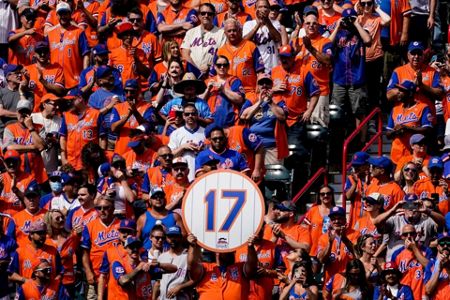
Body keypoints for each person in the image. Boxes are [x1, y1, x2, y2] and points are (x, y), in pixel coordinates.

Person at [329, 8, 372, 145]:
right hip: (339, 78)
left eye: (351, 19)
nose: (349, 22)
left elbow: (368, 40)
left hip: (357, 78)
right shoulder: (338, 34)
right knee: (336, 112)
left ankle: (361, 141)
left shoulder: (360, 32)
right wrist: (337, 26)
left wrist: (357, 24)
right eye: (346, 19)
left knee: (359, 111)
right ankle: (337, 140)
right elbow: (327, 45)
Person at [270, 44, 320, 160]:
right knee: (277, 154)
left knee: (295, 154)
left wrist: (309, 111)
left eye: (287, 57)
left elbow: (316, 92)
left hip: (296, 121)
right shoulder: (274, 72)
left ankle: (298, 177)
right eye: (282, 57)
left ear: (293, 57)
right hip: (276, 121)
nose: (284, 60)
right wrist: (273, 89)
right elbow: (262, 93)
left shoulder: (303, 71)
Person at [292, 11, 332, 127]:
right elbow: (286, 55)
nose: (311, 25)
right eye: (308, 23)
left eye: (314, 23)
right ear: (304, 26)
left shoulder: (325, 42)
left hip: (320, 93)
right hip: (299, 94)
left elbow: (327, 60)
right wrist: (295, 52)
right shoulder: (298, 41)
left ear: (318, 26)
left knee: (318, 130)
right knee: (300, 130)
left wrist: (310, 48)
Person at [187, 233, 258, 299]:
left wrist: (251, 247)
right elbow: (192, 265)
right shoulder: (206, 268)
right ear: (216, 251)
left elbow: (252, 266)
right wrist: (192, 246)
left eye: (230, 249)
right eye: (224, 248)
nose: (229, 251)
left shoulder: (240, 267)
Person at [373, 194, 443, 260]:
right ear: (403, 207)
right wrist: (392, 210)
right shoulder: (395, 219)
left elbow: (442, 222)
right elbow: (376, 222)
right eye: (407, 205)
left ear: (419, 206)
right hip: (394, 264)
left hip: (418, 264)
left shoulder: (426, 221)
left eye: (414, 205)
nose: (411, 208)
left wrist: (427, 211)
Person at [386, 41, 443, 122]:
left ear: (423, 55)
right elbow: (389, 95)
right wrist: (404, 89)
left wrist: (422, 86)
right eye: (413, 53)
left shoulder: (432, 72)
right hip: (403, 119)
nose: (416, 56)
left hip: (426, 119)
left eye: (419, 53)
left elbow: (440, 95)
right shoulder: (398, 71)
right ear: (408, 55)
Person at [106, 236, 176, 299]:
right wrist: (138, 269)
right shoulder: (118, 263)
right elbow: (123, 281)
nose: (135, 249)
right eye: (132, 247)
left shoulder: (145, 266)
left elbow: (174, 269)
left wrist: (157, 264)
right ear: (126, 248)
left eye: (137, 246)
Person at [241, 73, 288, 164]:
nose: (264, 85)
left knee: (273, 177)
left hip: (272, 147)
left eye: (267, 83)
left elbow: (282, 116)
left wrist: (270, 102)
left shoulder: (279, 100)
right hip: (252, 146)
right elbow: (244, 116)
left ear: (272, 85)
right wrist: (260, 102)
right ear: (257, 86)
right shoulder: (250, 99)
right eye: (261, 83)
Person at [215, 18, 264, 101]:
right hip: (229, 92)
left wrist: (258, 88)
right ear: (225, 33)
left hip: (249, 91)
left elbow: (260, 71)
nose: (232, 33)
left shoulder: (250, 46)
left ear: (239, 30)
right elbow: (214, 74)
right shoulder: (220, 51)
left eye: (234, 30)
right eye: (229, 31)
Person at [81, 196, 120, 300]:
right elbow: (84, 253)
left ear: (113, 208)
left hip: (116, 276)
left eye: (106, 208)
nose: (102, 211)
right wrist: (88, 272)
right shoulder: (90, 226)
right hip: (96, 275)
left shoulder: (121, 225)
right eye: (99, 208)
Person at [386, 81, 433, 165]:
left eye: (402, 90)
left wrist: (407, 128)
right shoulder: (395, 109)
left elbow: (427, 129)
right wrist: (396, 131)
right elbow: (388, 134)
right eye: (398, 90)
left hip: (415, 155)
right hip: (396, 155)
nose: (398, 93)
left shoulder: (423, 107)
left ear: (410, 93)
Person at [357, 0, 390, 117]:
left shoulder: (376, 18)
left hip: (375, 58)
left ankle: (373, 120)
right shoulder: (358, 19)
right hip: (360, 60)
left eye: (369, 3)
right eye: (363, 3)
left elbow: (388, 20)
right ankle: (362, 119)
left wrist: (377, 9)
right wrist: (357, 9)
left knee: (374, 91)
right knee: (360, 93)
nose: (366, 6)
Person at [45, 2, 90, 89]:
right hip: (55, 81)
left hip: (75, 80)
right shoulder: (50, 34)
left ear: (70, 14)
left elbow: (86, 54)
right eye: (60, 14)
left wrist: (85, 74)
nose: (63, 16)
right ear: (57, 15)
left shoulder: (78, 32)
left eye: (65, 13)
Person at [3, 98, 48, 184]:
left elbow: (41, 146)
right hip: (18, 175)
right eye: (21, 111)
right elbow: (9, 148)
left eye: (25, 112)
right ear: (17, 112)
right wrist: (32, 147)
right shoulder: (10, 129)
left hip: (38, 175)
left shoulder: (39, 127)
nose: (23, 114)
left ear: (30, 114)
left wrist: (31, 128)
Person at [60, 88, 106, 171]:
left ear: (80, 98)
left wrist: (100, 158)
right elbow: (62, 138)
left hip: (90, 164)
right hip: (71, 163)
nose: (69, 103)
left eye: (71, 100)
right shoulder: (66, 115)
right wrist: (63, 158)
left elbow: (102, 138)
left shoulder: (96, 114)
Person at [110, 79, 155, 155]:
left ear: (138, 92)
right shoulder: (118, 107)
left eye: (132, 92)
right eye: (126, 91)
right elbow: (113, 128)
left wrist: (135, 112)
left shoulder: (147, 107)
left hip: (140, 150)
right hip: (122, 150)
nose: (128, 94)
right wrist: (127, 115)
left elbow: (149, 126)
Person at [317, 206, 358, 285]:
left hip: (350, 281)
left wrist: (345, 239)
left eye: (339, 218)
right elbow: (321, 260)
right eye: (333, 219)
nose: (336, 221)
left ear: (345, 220)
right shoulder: (324, 237)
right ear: (330, 221)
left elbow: (359, 255)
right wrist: (330, 243)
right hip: (330, 282)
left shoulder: (355, 234)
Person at [201, 55, 245, 128]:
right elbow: (199, 102)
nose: (222, 67)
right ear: (214, 67)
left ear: (228, 67)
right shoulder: (207, 81)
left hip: (230, 122)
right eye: (219, 65)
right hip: (210, 122)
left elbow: (239, 99)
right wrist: (207, 90)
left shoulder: (234, 80)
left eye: (225, 65)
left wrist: (223, 89)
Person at [181, 3, 226, 75]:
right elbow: (185, 54)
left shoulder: (221, 33)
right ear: (198, 15)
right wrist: (196, 69)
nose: (206, 16)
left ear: (214, 16)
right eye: (203, 13)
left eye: (209, 14)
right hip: (192, 74)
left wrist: (209, 66)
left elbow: (222, 55)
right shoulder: (190, 32)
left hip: (211, 74)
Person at [44, 208, 79, 298]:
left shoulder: (72, 237)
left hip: (68, 281)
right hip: (50, 282)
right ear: (49, 221)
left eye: (62, 217)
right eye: (57, 218)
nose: (61, 220)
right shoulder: (44, 240)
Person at [391, 224, 431, 299]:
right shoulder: (396, 254)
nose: (409, 236)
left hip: (421, 294)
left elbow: (430, 267)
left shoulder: (426, 251)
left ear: (416, 235)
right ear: (402, 237)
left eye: (411, 233)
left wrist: (414, 248)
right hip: (404, 296)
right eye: (405, 234)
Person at [243, 0, 283, 73]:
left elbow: (278, 39)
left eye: (265, 7)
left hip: (273, 67)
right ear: (255, 9)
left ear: (268, 9)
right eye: (260, 7)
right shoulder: (248, 24)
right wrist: (258, 24)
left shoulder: (275, 23)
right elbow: (244, 42)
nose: (263, 9)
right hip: (255, 67)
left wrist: (266, 21)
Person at [168, 103, 206, 180]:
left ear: (197, 115)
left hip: (202, 173)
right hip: (183, 175)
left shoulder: (205, 132)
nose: (190, 116)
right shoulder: (176, 133)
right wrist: (183, 147)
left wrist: (203, 150)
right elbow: (169, 156)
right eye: (187, 114)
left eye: (193, 114)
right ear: (183, 116)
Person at [108, 21, 151, 88]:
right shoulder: (113, 54)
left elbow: (147, 73)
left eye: (130, 34)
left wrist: (136, 59)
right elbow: (108, 74)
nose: (128, 37)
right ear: (121, 36)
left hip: (135, 89)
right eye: (126, 34)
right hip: (119, 89)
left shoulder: (140, 52)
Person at [158, 226, 194, 300]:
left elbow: (195, 280)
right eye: (170, 237)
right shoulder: (162, 257)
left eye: (176, 236)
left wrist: (180, 287)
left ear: (181, 237)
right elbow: (158, 282)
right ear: (167, 238)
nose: (173, 239)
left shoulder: (187, 256)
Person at [30, 93, 62, 173]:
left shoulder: (60, 120)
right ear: (44, 104)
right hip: (34, 167)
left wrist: (55, 141)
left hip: (51, 167)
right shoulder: (33, 118)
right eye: (54, 104)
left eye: (57, 104)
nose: (57, 107)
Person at [0, 64, 33, 137]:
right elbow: (1, 112)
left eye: (20, 73)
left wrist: (21, 91)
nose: (20, 75)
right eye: (16, 73)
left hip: (23, 134)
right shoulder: (1, 92)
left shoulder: (29, 94)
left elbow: (27, 111)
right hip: (3, 133)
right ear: (8, 77)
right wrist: (20, 115)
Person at [303, 185, 336, 256]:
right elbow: (305, 230)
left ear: (332, 195)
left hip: (331, 250)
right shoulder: (312, 210)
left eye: (328, 193)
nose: (325, 195)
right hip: (313, 250)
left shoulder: (336, 211)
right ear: (319, 196)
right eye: (322, 194)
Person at [345, 151, 371, 228]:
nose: (356, 168)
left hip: (369, 218)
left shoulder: (374, 179)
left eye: (359, 165)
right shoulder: (351, 178)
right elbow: (348, 196)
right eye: (354, 165)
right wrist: (355, 184)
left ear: (367, 165)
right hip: (355, 219)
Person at [424, 233, 450, 299]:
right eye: (442, 243)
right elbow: (428, 290)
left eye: (448, 243)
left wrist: (447, 267)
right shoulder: (431, 264)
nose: (445, 245)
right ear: (438, 247)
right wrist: (438, 270)